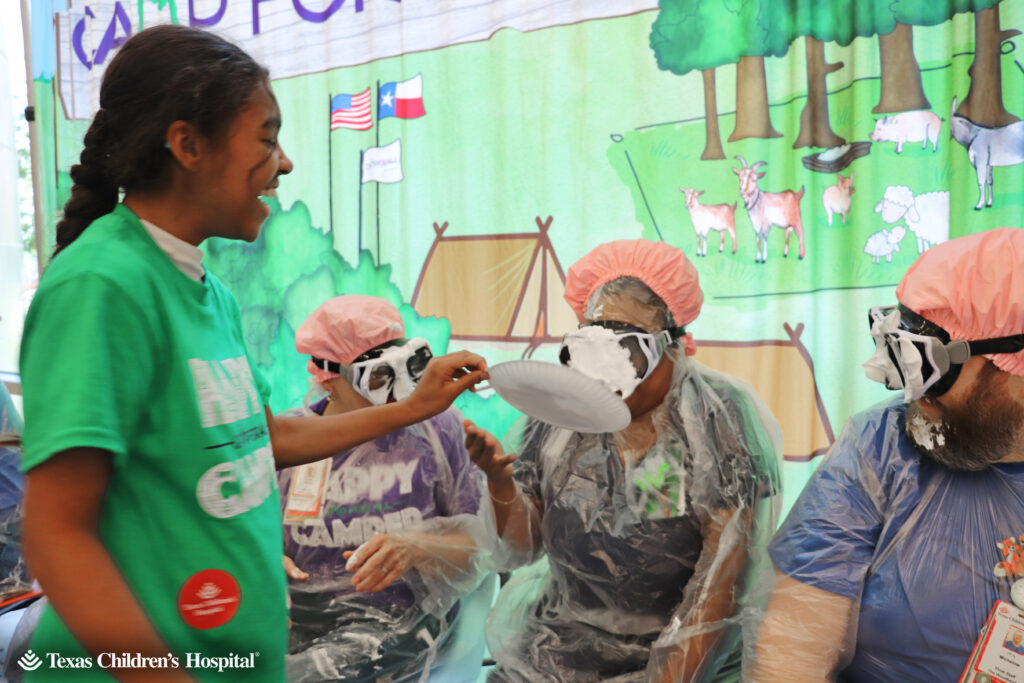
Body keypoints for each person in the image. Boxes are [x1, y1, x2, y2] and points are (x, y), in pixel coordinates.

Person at [18, 26, 486, 682]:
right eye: (267, 138)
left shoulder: (207, 291)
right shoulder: (104, 286)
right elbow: (57, 536)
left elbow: (263, 437)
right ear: (186, 144)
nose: (286, 162)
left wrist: (414, 408)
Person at [465, 239, 782, 682]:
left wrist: (669, 677)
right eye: (594, 350)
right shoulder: (559, 415)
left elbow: (723, 582)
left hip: (684, 658)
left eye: (628, 353)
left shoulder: (717, 417)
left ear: (675, 345)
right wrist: (501, 484)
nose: (610, 375)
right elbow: (522, 546)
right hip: (556, 651)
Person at [749, 228, 1024, 682]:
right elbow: (792, 651)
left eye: (931, 368)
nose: (913, 393)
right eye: (901, 357)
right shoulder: (880, 451)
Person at [280, 295, 489, 682]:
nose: (396, 395)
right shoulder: (290, 441)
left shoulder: (435, 430)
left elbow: (481, 547)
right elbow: (246, 535)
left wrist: (419, 547)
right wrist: (265, 566)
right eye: (377, 378)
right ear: (329, 377)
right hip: (296, 621)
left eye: (405, 370)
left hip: (404, 624)